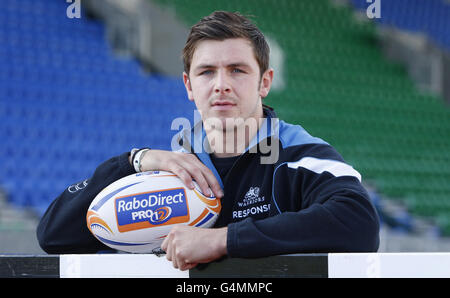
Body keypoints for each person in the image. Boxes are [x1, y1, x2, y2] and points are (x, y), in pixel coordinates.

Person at [37, 11, 380, 271]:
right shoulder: (174, 172)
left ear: (265, 82)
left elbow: (359, 223)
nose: (221, 85)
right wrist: (135, 161)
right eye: (206, 72)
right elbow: (54, 235)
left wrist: (223, 240)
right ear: (188, 85)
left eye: (237, 70)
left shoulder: (298, 155)